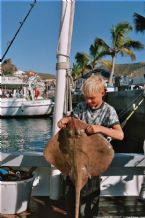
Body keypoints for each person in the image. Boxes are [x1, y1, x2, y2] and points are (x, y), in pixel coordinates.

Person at [57, 74, 124, 218]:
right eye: (86, 97)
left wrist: (99, 128)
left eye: (92, 98)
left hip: (93, 162)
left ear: (103, 93)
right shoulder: (82, 107)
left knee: (88, 205)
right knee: (70, 198)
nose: (88, 101)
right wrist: (65, 120)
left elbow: (120, 135)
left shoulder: (108, 111)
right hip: (75, 159)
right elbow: (72, 121)